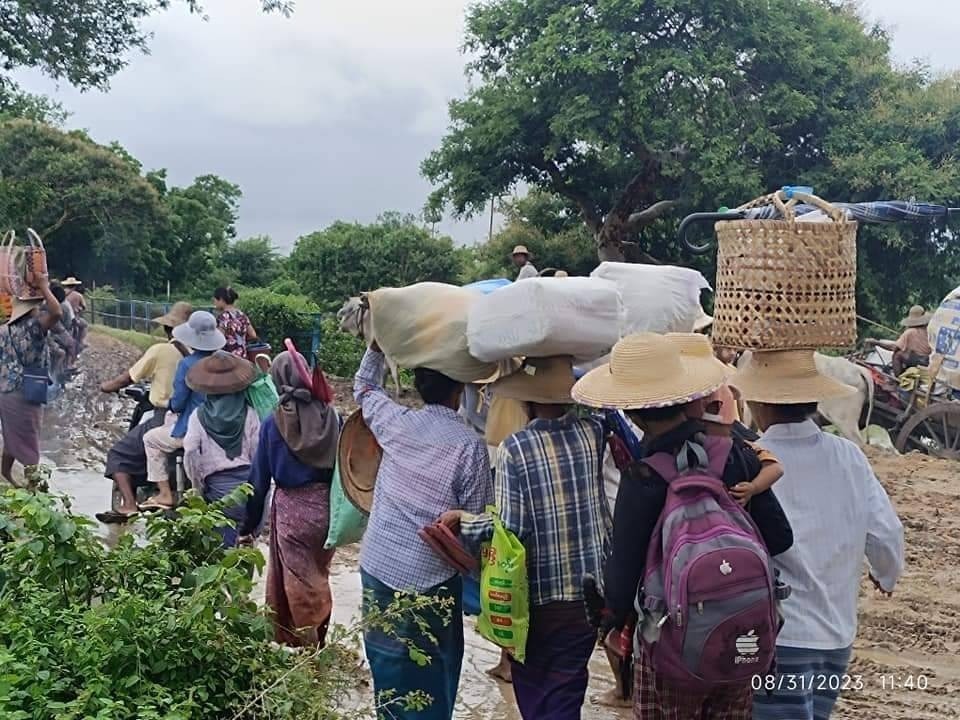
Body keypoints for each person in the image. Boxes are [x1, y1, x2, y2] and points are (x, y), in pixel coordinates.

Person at [572, 333, 794, 720]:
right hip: (740, 639)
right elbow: (779, 537)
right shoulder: (734, 453)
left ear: (632, 413)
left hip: (672, 649)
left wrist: (609, 621)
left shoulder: (642, 475)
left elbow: (623, 573)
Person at [731, 350, 905, 720]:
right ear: (814, 400)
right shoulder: (850, 457)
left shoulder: (749, 462)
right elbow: (887, 534)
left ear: (759, 402)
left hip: (777, 639)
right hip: (835, 638)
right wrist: (885, 574)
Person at [446, 356, 612, 720]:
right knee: (568, 690)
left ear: (527, 400)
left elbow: (511, 530)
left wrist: (465, 523)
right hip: (589, 595)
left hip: (541, 600)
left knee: (536, 694)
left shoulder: (517, 448)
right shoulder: (593, 434)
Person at [355, 344, 493, 720]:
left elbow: (365, 387)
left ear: (417, 385)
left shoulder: (395, 422)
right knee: (432, 674)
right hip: (429, 579)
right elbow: (478, 524)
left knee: (386, 663)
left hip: (379, 565)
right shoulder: (469, 447)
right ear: (459, 389)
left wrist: (378, 345)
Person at [241, 350, 340, 647]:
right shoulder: (332, 416)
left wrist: (248, 525)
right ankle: (320, 641)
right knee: (319, 575)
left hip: (292, 514)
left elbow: (258, 480)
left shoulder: (274, 423)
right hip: (328, 513)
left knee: (299, 583)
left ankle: (307, 649)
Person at [97, 302, 193, 523]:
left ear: (168, 329)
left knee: (118, 454)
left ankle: (129, 505)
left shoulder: (161, 350)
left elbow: (129, 377)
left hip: (164, 416)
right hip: (195, 421)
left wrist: (107, 386)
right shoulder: (198, 354)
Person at [141, 311, 226, 510]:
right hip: (220, 428)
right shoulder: (224, 362)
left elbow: (178, 403)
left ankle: (164, 494)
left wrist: (171, 404)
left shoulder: (187, 364)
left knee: (151, 439)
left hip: (193, 429)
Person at [183, 351, 260, 546]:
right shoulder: (250, 413)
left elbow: (190, 451)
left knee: (222, 551)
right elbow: (256, 455)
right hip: (248, 492)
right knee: (247, 550)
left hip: (218, 494)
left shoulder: (198, 416)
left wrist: (197, 486)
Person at [0, 275, 62, 487]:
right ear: (31, 309)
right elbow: (57, 312)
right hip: (26, 391)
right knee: (28, 438)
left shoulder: (3, 330)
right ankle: (33, 486)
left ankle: (6, 473)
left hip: (5, 392)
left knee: (12, 435)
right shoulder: (34, 328)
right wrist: (45, 286)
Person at [866, 305, 933, 376]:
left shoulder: (910, 332)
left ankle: (898, 379)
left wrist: (876, 342)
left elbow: (894, 347)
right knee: (907, 352)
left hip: (919, 360)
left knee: (897, 355)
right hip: (928, 359)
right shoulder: (929, 330)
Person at [213, 287, 257, 358]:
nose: (214, 302)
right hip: (243, 357)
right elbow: (253, 335)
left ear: (221, 299)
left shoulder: (223, 317)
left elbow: (218, 339)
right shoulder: (242, 315)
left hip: (228, 359)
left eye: (215, 300)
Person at [61, 277, 88, 350]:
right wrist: (79, 309)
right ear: (75, 286)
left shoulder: (61, 293)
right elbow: (84, 307)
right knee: (84, 325)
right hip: (74, 318)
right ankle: (81, 341)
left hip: (61, 317)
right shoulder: (78, 295)